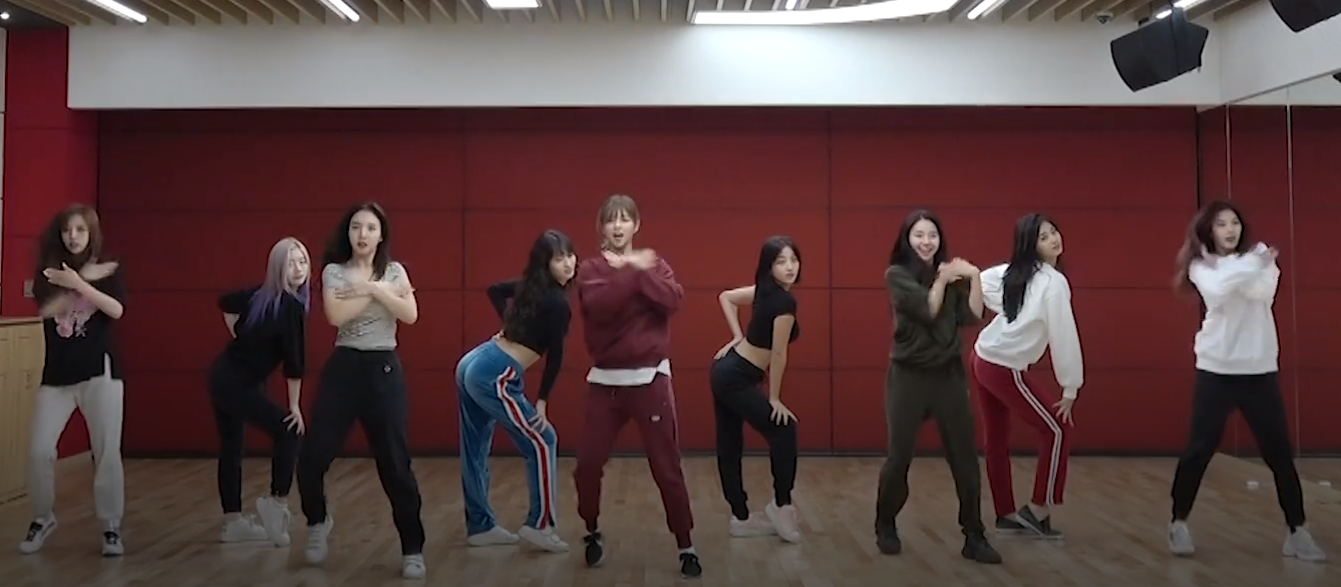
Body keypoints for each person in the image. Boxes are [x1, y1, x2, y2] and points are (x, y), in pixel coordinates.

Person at [1166, 200, 1325, 562]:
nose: (1230, 230)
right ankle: (1178, 522)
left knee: (1279, 453)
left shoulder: (1258, 260)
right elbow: (1218, 293)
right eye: (1222, 224)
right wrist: (1254, 263)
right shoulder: (1200, 265)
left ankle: (1297, 531)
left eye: (1234, 223)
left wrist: (1246, 269)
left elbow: (1262, 293)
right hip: (1216, 370)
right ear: (1209, 230)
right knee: (1199, 450)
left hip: (1259, 370)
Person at [296, 202, 428, 579]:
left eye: (370, 227)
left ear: (381, 234)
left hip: (383, 368)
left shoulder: (395, 270)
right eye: (356, 227)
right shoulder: (334, 271)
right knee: (312, 458)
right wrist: (384, 292)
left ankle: (413, 548)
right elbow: (336, 315)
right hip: (344, 368)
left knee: (395, 464)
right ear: (348, 233)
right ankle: (317, 521)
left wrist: (368, 287)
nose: (362, 234)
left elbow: (410, 314)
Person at [573, 194, 701, 578]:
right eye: (611, 220)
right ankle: (591, 529)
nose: (618, 226)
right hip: (605, 383)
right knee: (588, 465)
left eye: (625, 219)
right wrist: (634, 271)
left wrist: (640, 272)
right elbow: (602, 306)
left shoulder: (655, 265)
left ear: (636, 225)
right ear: (602, 226)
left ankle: (686, 544)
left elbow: (672, 300)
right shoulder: (590, 269)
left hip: (650, 380)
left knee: (667, 467)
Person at [874, 209, 1000, 564]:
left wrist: (972, 276)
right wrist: (944, 279)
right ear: (907, 239)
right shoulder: (897, 275)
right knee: (899, 457)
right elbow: (929, 310)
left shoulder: (950, 274)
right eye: (919, 235)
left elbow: (973, 315)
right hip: (908, 376)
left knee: (964, 458)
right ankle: (885, 523)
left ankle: (974, 535)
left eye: (932, 235)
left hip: (948, 375)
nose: (926, 242)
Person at [455, 229, 577, 553]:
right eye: (559, 258)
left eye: (570, 255)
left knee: (476, 446)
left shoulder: (531, 287)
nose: (568, 263)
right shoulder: (558, 303)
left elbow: (495, 290)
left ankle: (480, 526)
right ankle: (541, 525)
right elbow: (556, 356)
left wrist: (508, 323)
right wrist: (542, 402)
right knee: (544, 440)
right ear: (545, 263)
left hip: (475, 361)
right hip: (494, 371)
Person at [19, 204, 127, 557]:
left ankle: (111, 526)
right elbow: (47, 310)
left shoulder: (109, 268)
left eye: (80, 229)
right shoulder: (48, 272)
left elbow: (116, 309)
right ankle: (43, 517)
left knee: (106, 452)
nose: (73, 236)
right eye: (68, 230)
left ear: (91, 233)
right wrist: (76, 282)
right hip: (58, 376)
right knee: (39, 451)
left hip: (101, 373)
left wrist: (81, 283)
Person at [971, 213, 1080, 541]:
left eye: (1053, 232)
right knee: (1057, 430)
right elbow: (1063, 335)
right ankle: (1038, 510)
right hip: (1002, 366)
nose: (1053, 239)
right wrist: (1070, 386)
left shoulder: (1017, 273)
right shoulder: (1052, 282)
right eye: (1043, 237)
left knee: (997, 439)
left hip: (983, 358)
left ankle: (1006, 514)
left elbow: (979, 280)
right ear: (1031, 245)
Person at [209, 237, 313, 547]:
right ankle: (276, 503)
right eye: (290, 263)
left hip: (224, 377)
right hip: (233, 381)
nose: (298, 269)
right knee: (289, 431)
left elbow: (226, 303)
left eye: (303, 262)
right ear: (277, 267)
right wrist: (294, 407)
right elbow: (295, 362)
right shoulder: (289, 305)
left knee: (232, 447)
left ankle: (233, 523)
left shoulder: (262, 295)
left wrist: (238, 333)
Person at [709, 235, 803, 543]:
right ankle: (781, 505)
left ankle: (740, 517)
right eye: (781, 261)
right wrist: (774, 398)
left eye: (793, 260)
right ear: (769, 266)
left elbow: (726, 297)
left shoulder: (765, 291)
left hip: (729, 371)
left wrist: (738, 337)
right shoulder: (784, 301)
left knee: (730, 443)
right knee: (783, 429)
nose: (790, 267)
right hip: (735, 375)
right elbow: (778, 353)